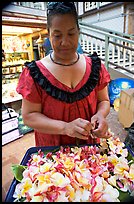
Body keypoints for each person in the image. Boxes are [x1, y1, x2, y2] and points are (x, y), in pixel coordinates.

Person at [16, 2, 112, 147]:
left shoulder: (95, 68)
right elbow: (29, 116)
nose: (65, 42)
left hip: (89, 149)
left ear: (79, 31)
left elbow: (103, 101)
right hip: (53, 153)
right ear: (48, 34)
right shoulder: (35, 73)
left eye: (71, 33)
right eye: (57, 35)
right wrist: (65, 128)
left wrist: (100, 115)